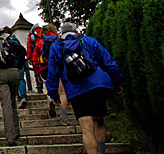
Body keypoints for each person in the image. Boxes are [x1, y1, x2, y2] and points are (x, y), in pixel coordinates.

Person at [46, 22, 124, 154]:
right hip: (97, 85)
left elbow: (53, 72)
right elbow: (108, 61)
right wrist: (116, 82)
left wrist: (53, 93)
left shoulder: (57, 46)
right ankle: (101, 151)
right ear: (76, 31)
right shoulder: (89, 41)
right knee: (98, 121)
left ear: (61, 33)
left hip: (76, 88)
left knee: (86, 128)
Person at [4, 26, 28, 109]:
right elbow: (23, 51)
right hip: (19, 62)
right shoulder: (15, 40)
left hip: (12, 64)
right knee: (21, 79)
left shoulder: (6, 42)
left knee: (13, 81)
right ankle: (23, 96)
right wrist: (21, 64)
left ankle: (16, 96)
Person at [26, 24, 44, 93]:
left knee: (37, 72)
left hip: (35, 56)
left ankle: (39, 87)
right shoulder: (43, 32)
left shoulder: (31, 35)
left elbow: (29, 47)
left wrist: (28, 57)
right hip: (44, 55)